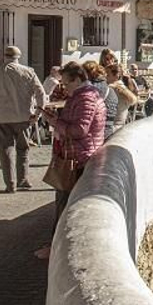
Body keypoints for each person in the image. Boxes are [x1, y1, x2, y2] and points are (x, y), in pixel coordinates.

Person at [35, 61, 106, 258]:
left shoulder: (86, 99)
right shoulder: (83, 96)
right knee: (63, 204)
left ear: (77, 79)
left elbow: (79, 130)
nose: (63, 88)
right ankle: (56, 247)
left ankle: (56, 249)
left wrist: (54, 121)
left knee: (65, 205)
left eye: (66, 83)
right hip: (77, 153)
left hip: (78, 156)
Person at [0, 46, 46, 192]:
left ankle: (10, 184)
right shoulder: (28, 71)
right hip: (23, 116)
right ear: (18, 56)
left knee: (5, 150)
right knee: (23, 149)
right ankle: (23, 179)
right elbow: (40, 93)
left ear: (4, 56)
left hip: (1, 116)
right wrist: (38, 112)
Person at [102, 64, 140, 137]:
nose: (105, 77)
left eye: (108, 75)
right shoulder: (123, 88)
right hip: (122, 126)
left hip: (112, 128)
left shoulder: (111, 89)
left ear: (116, 76)